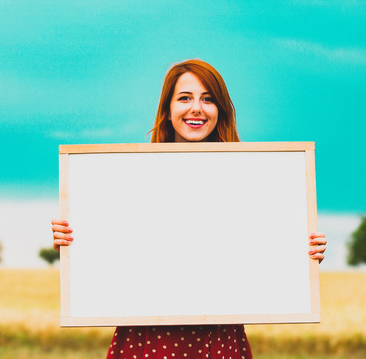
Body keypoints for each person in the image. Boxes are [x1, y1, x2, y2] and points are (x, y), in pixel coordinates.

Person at [51, 59, 327, 359]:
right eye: (185, 98)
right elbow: (115, 250)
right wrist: (72, 247)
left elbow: (258, 250)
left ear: (219, 109)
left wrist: (302, 254)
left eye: (208, 99)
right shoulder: (128, 178)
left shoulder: (249, 181)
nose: (196, 108)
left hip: (218, 335)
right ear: (168, 111)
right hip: (147, 336)